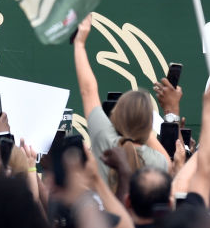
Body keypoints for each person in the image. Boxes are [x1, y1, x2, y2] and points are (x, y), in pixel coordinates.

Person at [73, 13, 170, 186]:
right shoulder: (159, 161)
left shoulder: (105, 138)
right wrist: (143, 126)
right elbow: (169, 164)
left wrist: (79, 45)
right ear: (149, 125)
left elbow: (88, 91)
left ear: (116, 115)